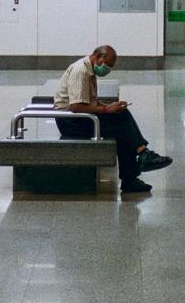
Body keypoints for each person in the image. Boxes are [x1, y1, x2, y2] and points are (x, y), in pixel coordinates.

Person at [54, 45, 172, 194]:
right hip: (71, 122)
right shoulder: (81, 71)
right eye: (107, 65)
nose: (108, 69)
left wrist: (110, 106)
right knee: (122, 123)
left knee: (121, 123)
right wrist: (106, 109)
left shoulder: (89, 70)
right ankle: (141, 157)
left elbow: (89, 103)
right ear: (98, 57)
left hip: (81, 118)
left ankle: (133, 174)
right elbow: (76, 107)